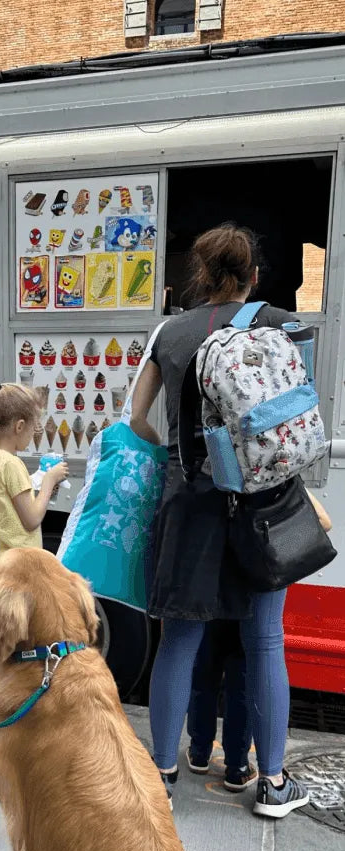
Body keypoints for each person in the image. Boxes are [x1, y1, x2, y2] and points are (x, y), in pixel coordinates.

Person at [129, 222, 310, 818]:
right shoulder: (282, 324)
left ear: (198, 276)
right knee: (264, 640)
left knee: (179, 639)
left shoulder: (169, 332)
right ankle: (272, 783)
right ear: (256, 275)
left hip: (193, 502)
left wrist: (175, 460)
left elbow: (136, 418)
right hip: (265, 501)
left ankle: (162, 776)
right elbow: (294, 413)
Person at [0, 383, 68, 744]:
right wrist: (50, 481)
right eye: (36, 425)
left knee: (3, 643)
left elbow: (10, 510)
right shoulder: (10, 466)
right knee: (6, 647)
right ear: (20, 425)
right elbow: (31, 519)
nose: (36, 433)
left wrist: (38, 483)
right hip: (19, 572)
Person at [186, 621, 255, 791]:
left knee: (204, 674)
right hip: (244, 607)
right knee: (241, 686)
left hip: (212, 604)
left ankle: (198, 753)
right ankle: (238, 767)